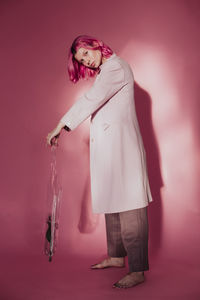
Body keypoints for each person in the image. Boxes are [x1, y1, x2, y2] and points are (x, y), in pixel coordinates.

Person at [46, 35, 153, 289]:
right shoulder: (107, 70)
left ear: (95, 45)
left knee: (130, 207)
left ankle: (137, 270)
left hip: (123, 149)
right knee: (113, 203)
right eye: (81, 59)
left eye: (85, 53)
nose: (86, 60)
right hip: (111, 150)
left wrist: (60, 126)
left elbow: (90, 99)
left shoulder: (115, 67)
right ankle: (117, 257)